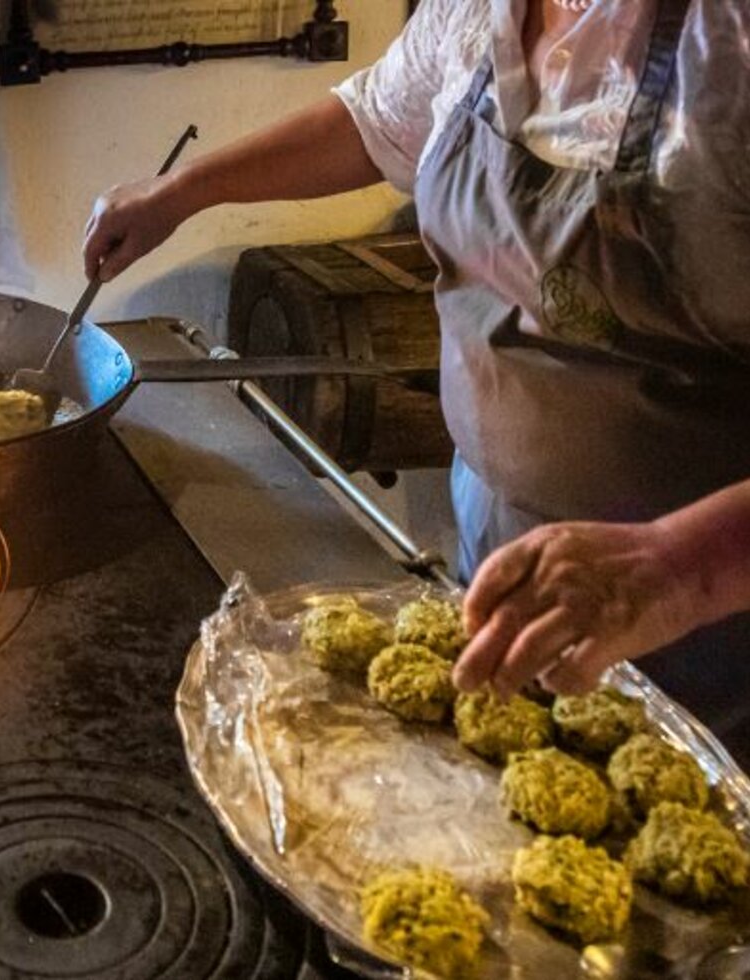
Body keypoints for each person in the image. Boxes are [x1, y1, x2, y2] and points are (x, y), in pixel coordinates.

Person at [82, 0, 750, 752]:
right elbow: (380, 124)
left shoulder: (729, 46)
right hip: (499, 548)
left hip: (707, 621)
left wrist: (682, 567)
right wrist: (185, 191)